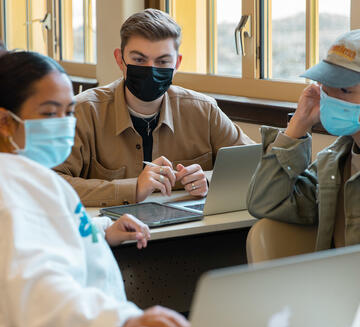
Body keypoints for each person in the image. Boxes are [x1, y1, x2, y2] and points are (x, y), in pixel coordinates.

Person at [0, 51, 189, 327]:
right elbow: (38, 289)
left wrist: (99, 230)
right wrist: (117, 324)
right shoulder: (11, 184)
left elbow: (33, 236)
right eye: (49, 114)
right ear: (6, 121)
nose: (64, 125)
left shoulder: (27, 175)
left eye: (69, 112)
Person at [54, 8, 254, 207]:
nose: (151, 69)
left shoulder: (204, 110)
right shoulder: (83, 111)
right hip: (112, 232)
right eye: (139, 60)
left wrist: (208, 180)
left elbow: (254, 164)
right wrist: (133, 188)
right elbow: (51, 182)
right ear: (119, 59)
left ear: (177, 63)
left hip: (190, 231)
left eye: (162, 61)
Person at [247, 29, 360, 251]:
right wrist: (296, 127)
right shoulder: (335, 163)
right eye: (327, 88)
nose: (332, 98)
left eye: (345, 90)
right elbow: (267, 202)